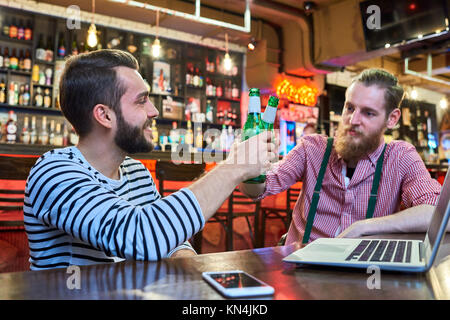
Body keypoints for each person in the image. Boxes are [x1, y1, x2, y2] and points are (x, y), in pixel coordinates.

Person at [24, 49, 276, 270]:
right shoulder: (54, 171)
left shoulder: (135, 172)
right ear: (105, 115)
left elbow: (170, 241)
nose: (154, 111)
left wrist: (189, 266)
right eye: (142, 101)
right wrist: (235, 166)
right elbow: (142, 236)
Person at [240, 68, 444, 246]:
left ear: (392, 119)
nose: (353, 120)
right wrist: (247, 168)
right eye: (350, 108)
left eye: (368, 113)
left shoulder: (400, 157)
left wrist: (365, 227)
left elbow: (441, 214)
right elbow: (257, 190)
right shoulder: (312, 148)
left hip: (364, 272)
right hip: (302, 269)